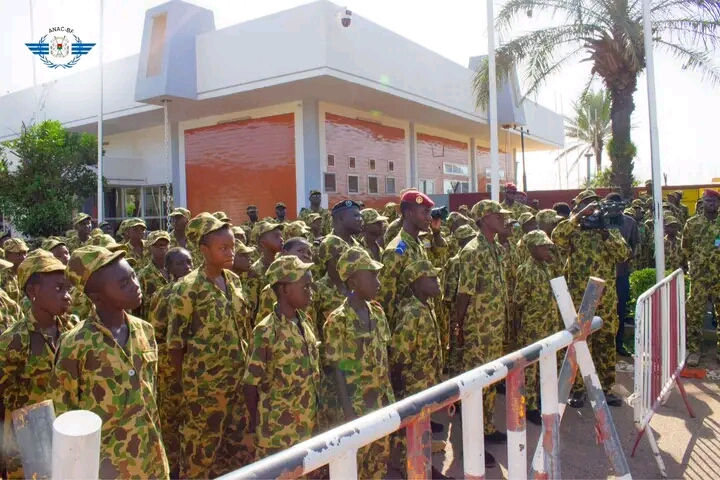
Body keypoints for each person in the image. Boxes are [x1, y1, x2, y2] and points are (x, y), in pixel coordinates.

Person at [53, 245, 169, 479]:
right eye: (123, 284)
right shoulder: (76, 344)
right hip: (106, 467)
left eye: (133, 276)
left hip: (152, 459)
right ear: (97, 297)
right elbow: (64, 413)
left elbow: (153, 395)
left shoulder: (144, 330)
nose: (135, 285)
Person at [166, 213, 253, 477]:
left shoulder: (234, 281)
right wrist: (191, 385)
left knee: (237, 452)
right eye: (223, 247)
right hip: (205, 392)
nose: (230, 252)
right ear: (203, 250)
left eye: (232, 246)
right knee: (200, 454)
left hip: (237, 384)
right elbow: (175, 345)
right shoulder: (187, 289)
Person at [0, 250, 77, 479]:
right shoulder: (15, 340)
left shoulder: (74, 330)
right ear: (33, 291)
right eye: (58, 289)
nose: (66, 296)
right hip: (28, 443)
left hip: (70, 434)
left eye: (68, 289)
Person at [552, 190, 630, 408]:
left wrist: (605, 235)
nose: (591, 209)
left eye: (594, 205)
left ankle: (605, 388)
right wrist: (578, 217)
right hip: (580, 297)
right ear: (577, 207)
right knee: (579, 342)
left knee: (605, 342)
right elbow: (556, 237)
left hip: (605, 298)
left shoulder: (609, 229)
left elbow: (623, 254)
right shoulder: (573, 228)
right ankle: (577, 390)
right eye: (585, 205)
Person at [324, 247, 394, 479]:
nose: (378, 282)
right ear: (353, 281)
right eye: (371, 276)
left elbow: (385, 356)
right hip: (357, 406)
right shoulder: (339, 320)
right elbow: (337, 369)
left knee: (379, 461)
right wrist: (348, 412)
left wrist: (390, 398)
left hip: (381, 402)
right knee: (356, 465)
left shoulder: (378, 313)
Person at [243, 255, 319, 459]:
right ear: (284, 290)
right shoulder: (266, 331)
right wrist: (256, 425)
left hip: (307, 424)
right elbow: (250, 384)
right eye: (305, 287)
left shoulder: (304, 321)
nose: (311, 292)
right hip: (277, 433)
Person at [453, 200, 510, 463]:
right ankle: (471, 443)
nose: (503, 219)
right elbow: (464, 293)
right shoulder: (472, 251)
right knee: (475, 384)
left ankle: (486, 428)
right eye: (498, 216)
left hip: (494, 329)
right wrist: (459, 326)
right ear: (484, 218)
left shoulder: (495, 248)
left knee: (490, 381)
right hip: (478, 329)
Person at [389, 258, 450, 480]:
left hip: (426, 380)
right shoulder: (411, 312)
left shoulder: (427, 306)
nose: (437, 281)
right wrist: (400, 389)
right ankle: (414, 470)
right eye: (431, 278)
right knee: (412, 430)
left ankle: (423, 465)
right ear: (415, 283)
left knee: (422, 427)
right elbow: (399, 356)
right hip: (413, 384)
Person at [147, 247, 194, 479]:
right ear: (168, 269)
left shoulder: (198, 290)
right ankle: (173, 468)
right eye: (179, 263)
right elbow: (156, 332)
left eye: (189, 262)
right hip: (170, 368)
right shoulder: (164, 295)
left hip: (197, 368)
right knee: (172, 420)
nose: (186, 267)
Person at [514, 231, 561, 426]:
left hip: (548, 324)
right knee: (531, 368)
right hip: (533, 326)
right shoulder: (526, 269)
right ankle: (530, 406)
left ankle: (542, 400)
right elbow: (518, 300)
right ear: (532, 248)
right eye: (542, 246)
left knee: (546, 364)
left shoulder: (547, 268)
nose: (546, 249)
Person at [380, 190, 445, 327]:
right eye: (425, 212)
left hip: (422, 324)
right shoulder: (398, 249)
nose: (429, 218)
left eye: (429, 213)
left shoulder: (417, 243)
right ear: (409, 213)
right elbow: (386, 296)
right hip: (406, 329)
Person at [682, 189, 720, 366]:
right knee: (695, 313)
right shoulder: (692, 223)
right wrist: (697, 262)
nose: (711, 204)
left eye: (715, 201)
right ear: (703, 202)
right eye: (708, 201)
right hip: (700, 277)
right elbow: (686, 247)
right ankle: (694, 350)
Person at [136, 230, 171, 319]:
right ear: (149, 248)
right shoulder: (144, 274)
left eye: (165, 244)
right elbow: (137, 305)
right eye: (157, 245)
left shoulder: (176, 270)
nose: (162, 248)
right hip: (152, 321)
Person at [1, 239, 29, 303]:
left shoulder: (28, 274)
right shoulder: (2, 277)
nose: (23, 257)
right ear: (7, 255)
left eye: (25, 253)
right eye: (18, 254)